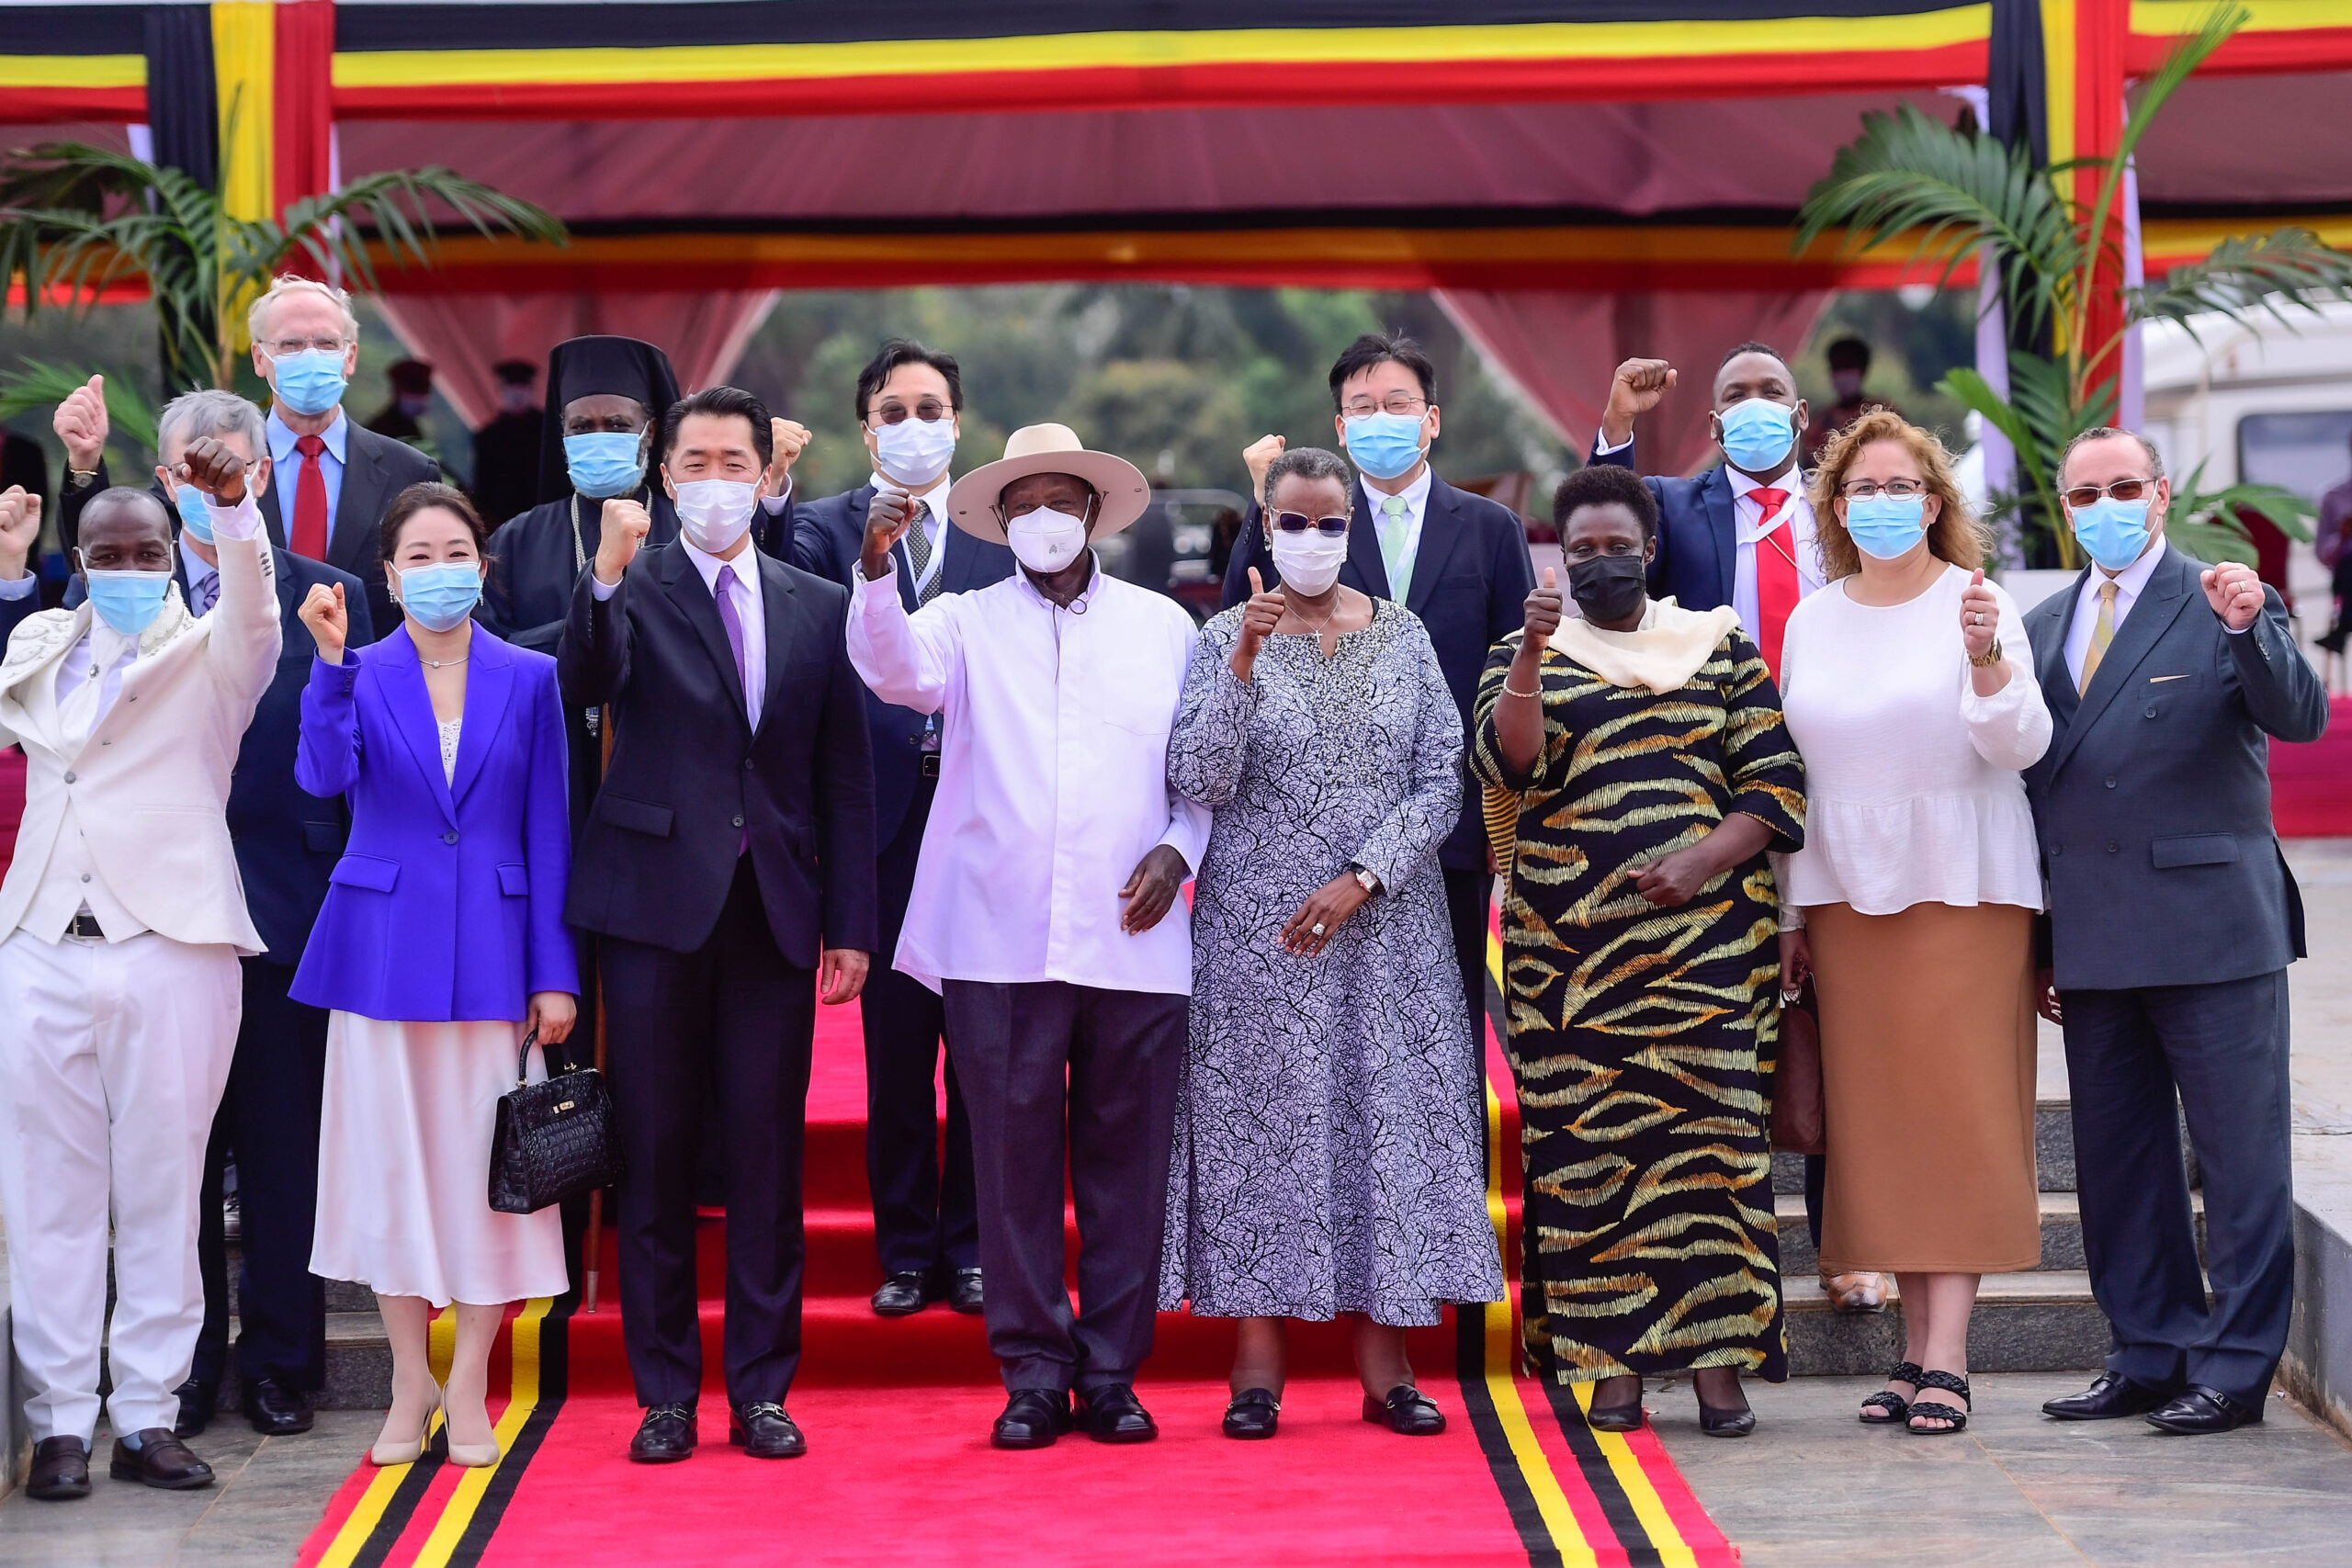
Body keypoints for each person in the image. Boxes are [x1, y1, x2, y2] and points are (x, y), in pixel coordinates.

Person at [848, 423, 1207, 1450]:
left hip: (1132, 936)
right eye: (1024, 503)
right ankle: (1034, 1373)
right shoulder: (959, 620)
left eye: (1063, 499)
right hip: (996, 936)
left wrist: (1180, 848)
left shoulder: (1163, 628)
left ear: (1094, 511)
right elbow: (891, 672)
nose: (1044, 519)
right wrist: (876, 570)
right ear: (999, 521)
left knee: (1125, 1163)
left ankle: (1111, 1372)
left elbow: (1200, 771)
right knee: (1007, 1163)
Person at [46, 391, 376, 1441]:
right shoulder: (113, 601)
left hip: (286, 904)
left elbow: (357, 751)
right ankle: (178, 1370)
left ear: (261, 476)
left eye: (229, 469)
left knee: (282, 1153)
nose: (210, 487)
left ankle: (283, 1362)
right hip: (153, 915)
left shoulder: (331, 594)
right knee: (170, 1153)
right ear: (165, 479)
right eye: (191, 473)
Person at [560, 386, 876, 1465]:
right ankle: (663, 1395)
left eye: (730, 463)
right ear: (663, 474)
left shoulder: (811, 599)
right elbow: (586, 679)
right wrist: (603, 572)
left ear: (761, 473)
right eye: (691, 462)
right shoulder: (629, 588)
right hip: (652, 910)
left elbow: (842, 774)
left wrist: (850, 924)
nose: (712, 481)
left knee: (764, 1159)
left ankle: (761, 1389)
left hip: (775, 915)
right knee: (653, 1158)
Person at [1163, 446, 1502, 1440]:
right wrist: (1238, 666)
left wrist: (1364, 875)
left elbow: (1445, 777)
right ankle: (1256, 1363)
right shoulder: (1223, 633)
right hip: (1258, 936)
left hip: (1386, 925)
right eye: (1293, 522)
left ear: (1352, 527)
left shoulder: (1402, 635)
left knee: (1383, 1126)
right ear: (1262, 529)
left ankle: (1386, 1362)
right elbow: (1196, 776)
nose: (1312, 539)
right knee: (1261, 1132)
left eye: (1329, 522)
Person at [1469, 462, 1803, 1438]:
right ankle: (1609, 1368)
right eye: (1584, 552)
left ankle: (1718, 1371)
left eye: (1619, 547)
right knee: (1589, 1157)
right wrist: (1531, 652)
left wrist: (1704, 859)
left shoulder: (1718, 646)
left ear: (1650, 550)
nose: (1603, 562)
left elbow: (1775, 784)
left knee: (1712, 1159)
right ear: (1558, 560)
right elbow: (1504, 765)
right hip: (1571, 966)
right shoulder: (1525, 648)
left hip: (1707, 962)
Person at [2024, 427, 2328, 1436]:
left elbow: (2299, 717)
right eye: (2083, 494)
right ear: (2063, 509)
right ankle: (2148, 1350)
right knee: (2120, 1162)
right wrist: (2038, 943)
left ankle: (2235, 1368)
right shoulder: (2040, 626)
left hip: (2211, 931)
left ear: (2157, 495)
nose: (2103, 506)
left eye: (2122, 487)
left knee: (2241, 1161)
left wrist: (2251, 628)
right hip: (2095, 937)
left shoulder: (2221, 597)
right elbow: (2027, 792)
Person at [0, 437, 280, 1502]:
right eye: (105, 554)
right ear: (79, 557)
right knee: (47, 1195)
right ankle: (60, 1423)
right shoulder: (36, 640)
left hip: (171, 944)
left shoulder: (209, 654)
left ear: (174, 556)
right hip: (34, 945)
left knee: (166, 1190)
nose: (124, 570)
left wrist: (237, 509)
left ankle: (149, 1415)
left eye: (145, 553)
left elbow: (256, 623)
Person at [1774, 411, 2052, 1436]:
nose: (1881, 504)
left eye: (1900, 487)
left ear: (1933, 502)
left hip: (1963, 886)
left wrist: (1984, 658)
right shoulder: (1811, 617)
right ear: (1836, 508)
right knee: (1880, 1132)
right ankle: (1905, 1353)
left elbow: (2021, 741)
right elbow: (1793, 779)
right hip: (1846, 896)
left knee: (1959, 1121)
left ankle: (1947, 1358)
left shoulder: (1976, 602)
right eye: (1861, 489)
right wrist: (1792, 912)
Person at [1592, 344, 1885, 1314]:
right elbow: (1607, 524)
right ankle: (1728, 1263)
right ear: (1711, 427)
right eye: (1733, 399)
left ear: (1801, 416)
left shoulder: (1848, 511)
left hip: (1844, 785)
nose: (1753, 407)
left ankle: (1847, 1247)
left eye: (1769, 393)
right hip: (1718, 795)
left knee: (1839, 1026)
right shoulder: (1678, 510)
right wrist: (1618, 431)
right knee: (1733, 1032)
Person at [291, 482, 573, 1469]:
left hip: (497, 961)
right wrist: (327, 667)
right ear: (387, 573)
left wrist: (556, 974)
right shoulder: (354, 670)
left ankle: (470, 1386)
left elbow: (548, 831)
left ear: (483, 568)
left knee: (492, 1180)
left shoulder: (529, 677)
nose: (438, 569)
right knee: (392, 1177)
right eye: (418, 555)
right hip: (378, 959)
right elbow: (321, 780)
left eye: (456, 552)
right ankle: (410, 1385)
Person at [1221, 331, 1535, 1055]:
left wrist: (1502, 812)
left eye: (1398, 403)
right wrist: (1266, 500)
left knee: (1442, 1026)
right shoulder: (1308, 524)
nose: (1380, 418)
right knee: (1323, 1034)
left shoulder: (1490, 530)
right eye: (1361, 407)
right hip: (1314, 834)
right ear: (1339, 427)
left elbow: (1516, 673)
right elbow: (1242, 615)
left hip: (1449, 825)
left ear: (1431, 419)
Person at [792, 339, 1013, 1318]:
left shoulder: (1004, 528)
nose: (913, 425)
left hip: (975, 816)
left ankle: (968, 1246)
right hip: (872, 820)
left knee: (976, 1052)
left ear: (958, 423)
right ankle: (904, 1252)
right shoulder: (812, 531)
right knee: (893, 1059)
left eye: (931, 408)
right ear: (865, 426)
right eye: (894, 410)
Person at [470, 359, 545, 527]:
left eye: (522, 388)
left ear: (531, 389)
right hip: (503, 521)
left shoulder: (551, 431)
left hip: (547, 518)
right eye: (510, 389)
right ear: (500, 390)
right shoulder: (488, 437)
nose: (517, 395)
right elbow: (483, 488)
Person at [1802, 336, 1899, 466]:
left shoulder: (1885, 414)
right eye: (1838, 367)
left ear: (1863, 370)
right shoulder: (1819, 423)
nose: (1843, 374)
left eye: (1849, 366)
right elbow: (1809, 466)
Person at [365, 358, 435, 447]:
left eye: (425, 391)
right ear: (398, 391)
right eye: (415, 391)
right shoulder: (386, 428)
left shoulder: (407, 425)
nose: (422, 397)